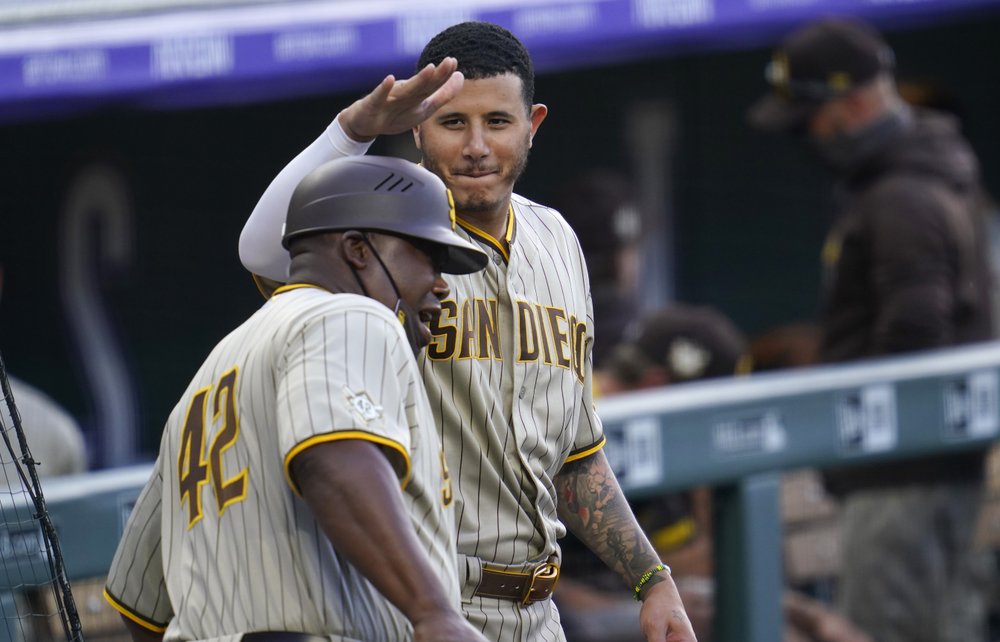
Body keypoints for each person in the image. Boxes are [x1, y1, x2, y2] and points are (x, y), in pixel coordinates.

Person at [239, 21, 697, 642]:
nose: (477, 146)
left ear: (532, 124)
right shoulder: (379, 238)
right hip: (412, 607)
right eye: (454, 123)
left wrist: (651, 578)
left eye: (497, 122)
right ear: (418, 129)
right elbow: (262, 250)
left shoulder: (559, 242)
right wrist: (353, 131)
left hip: (539, 613)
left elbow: (575, 455)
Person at [103, 155, 492, 642]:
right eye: (429, 258)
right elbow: (333, 458)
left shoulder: (206, 379)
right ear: (358, 250)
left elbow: (138, 601)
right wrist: (433, 613)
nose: (442, 285)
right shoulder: (348, 316)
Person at [748, 16, 996, 642]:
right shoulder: (915, 172)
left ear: (853, 103)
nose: (808, 133)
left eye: (812, 116)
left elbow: (916, 337)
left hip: (904, 477)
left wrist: (865, 436)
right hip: (930, 470)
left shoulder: (903, 194)